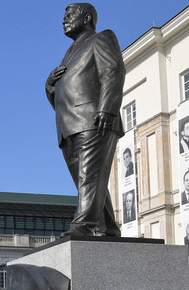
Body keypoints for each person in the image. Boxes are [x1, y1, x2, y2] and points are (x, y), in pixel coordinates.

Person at [45, 3, 125, 237]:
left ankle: (84, 224)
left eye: (70, 15)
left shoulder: (102, 38)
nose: (64, 20)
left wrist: (108, 109)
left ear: (87, 18)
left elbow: (113, 71)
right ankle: (107, 226)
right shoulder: (70, 52)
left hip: (94, 119)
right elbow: (62, 95)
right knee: (87, 180)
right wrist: (50, 84)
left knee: (89, 176)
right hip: (68, 126)